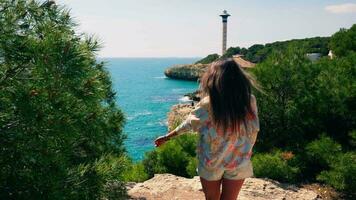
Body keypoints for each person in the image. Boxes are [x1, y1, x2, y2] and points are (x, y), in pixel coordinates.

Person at [155, 58, 260, 200]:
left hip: (211, 162)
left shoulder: (209, 104)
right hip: (239, 160)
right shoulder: (249, 101)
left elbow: (189, 124)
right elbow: (253, 129)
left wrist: (167, 137)